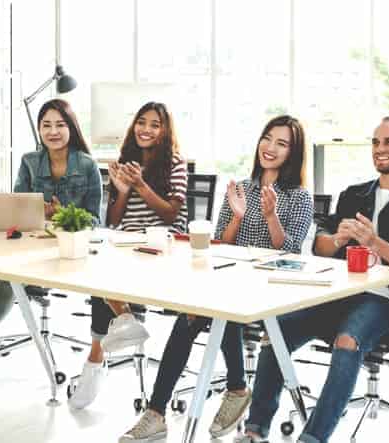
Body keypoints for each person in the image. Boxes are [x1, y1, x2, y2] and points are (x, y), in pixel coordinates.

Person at [238, 114, 389, 443]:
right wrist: (337, 238)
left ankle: (313, 438)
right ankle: (254, 431)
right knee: (276, 329)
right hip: (338, 293)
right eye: (376, 142)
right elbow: (320, 248)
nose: (379, 149)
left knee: (348, 339)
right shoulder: (354, 195)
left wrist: (375, 243)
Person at [120, 115, 316, 442]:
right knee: (189, 317)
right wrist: (237, 217)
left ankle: (235, 388)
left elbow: (291, 252)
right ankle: (157, 413)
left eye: (281, 143)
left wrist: (270, 217)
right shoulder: (241, 187)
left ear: (293, 153)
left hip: (272, 288)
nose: (270, 148)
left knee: (218, 307)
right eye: (267, 139)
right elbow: (224, 244)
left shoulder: (299, 196)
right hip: (233, 280)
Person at [0, 98, 102, 410]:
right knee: (1, 282)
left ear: (72, 127)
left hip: (65, 253)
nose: (53, 131)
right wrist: (31, 217)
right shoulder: (29, 161)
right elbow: (16, 211)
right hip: (29, 245)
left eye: (60, 124)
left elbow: (95, 222)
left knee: (6, 283)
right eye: (46, 125)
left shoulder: (88, 166)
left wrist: (62, 215)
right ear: (39, 129)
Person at [70, 102, 189, 410]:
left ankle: (96, 358)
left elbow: (170, 213)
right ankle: (124, 318)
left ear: (165, 131)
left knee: (105, 272)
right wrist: (122, 189)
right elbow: (114, 219)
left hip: (164, 241)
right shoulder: (127, 161)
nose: (146, 129)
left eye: (154, 124)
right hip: (129, 240)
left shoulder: (175, 162)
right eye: (141, 122)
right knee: (95, 262)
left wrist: (141, 184)